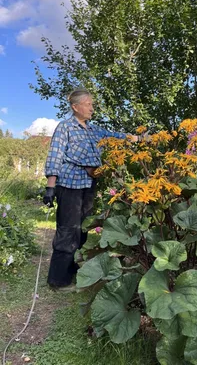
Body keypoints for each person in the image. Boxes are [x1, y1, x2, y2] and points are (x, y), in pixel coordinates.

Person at [43, 88, 137, 292]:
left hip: (89, 184)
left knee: (83, 228)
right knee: (68, 230)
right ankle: (58, 280)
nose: (92, 108)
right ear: (75, 107)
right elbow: (55, 156)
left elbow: (114, 136)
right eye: (88, 104)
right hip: (69, 184)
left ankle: (73, 269)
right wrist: (50, 187)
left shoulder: (94, 130)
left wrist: (135, 138)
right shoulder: (65, 127)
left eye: (92, 104)